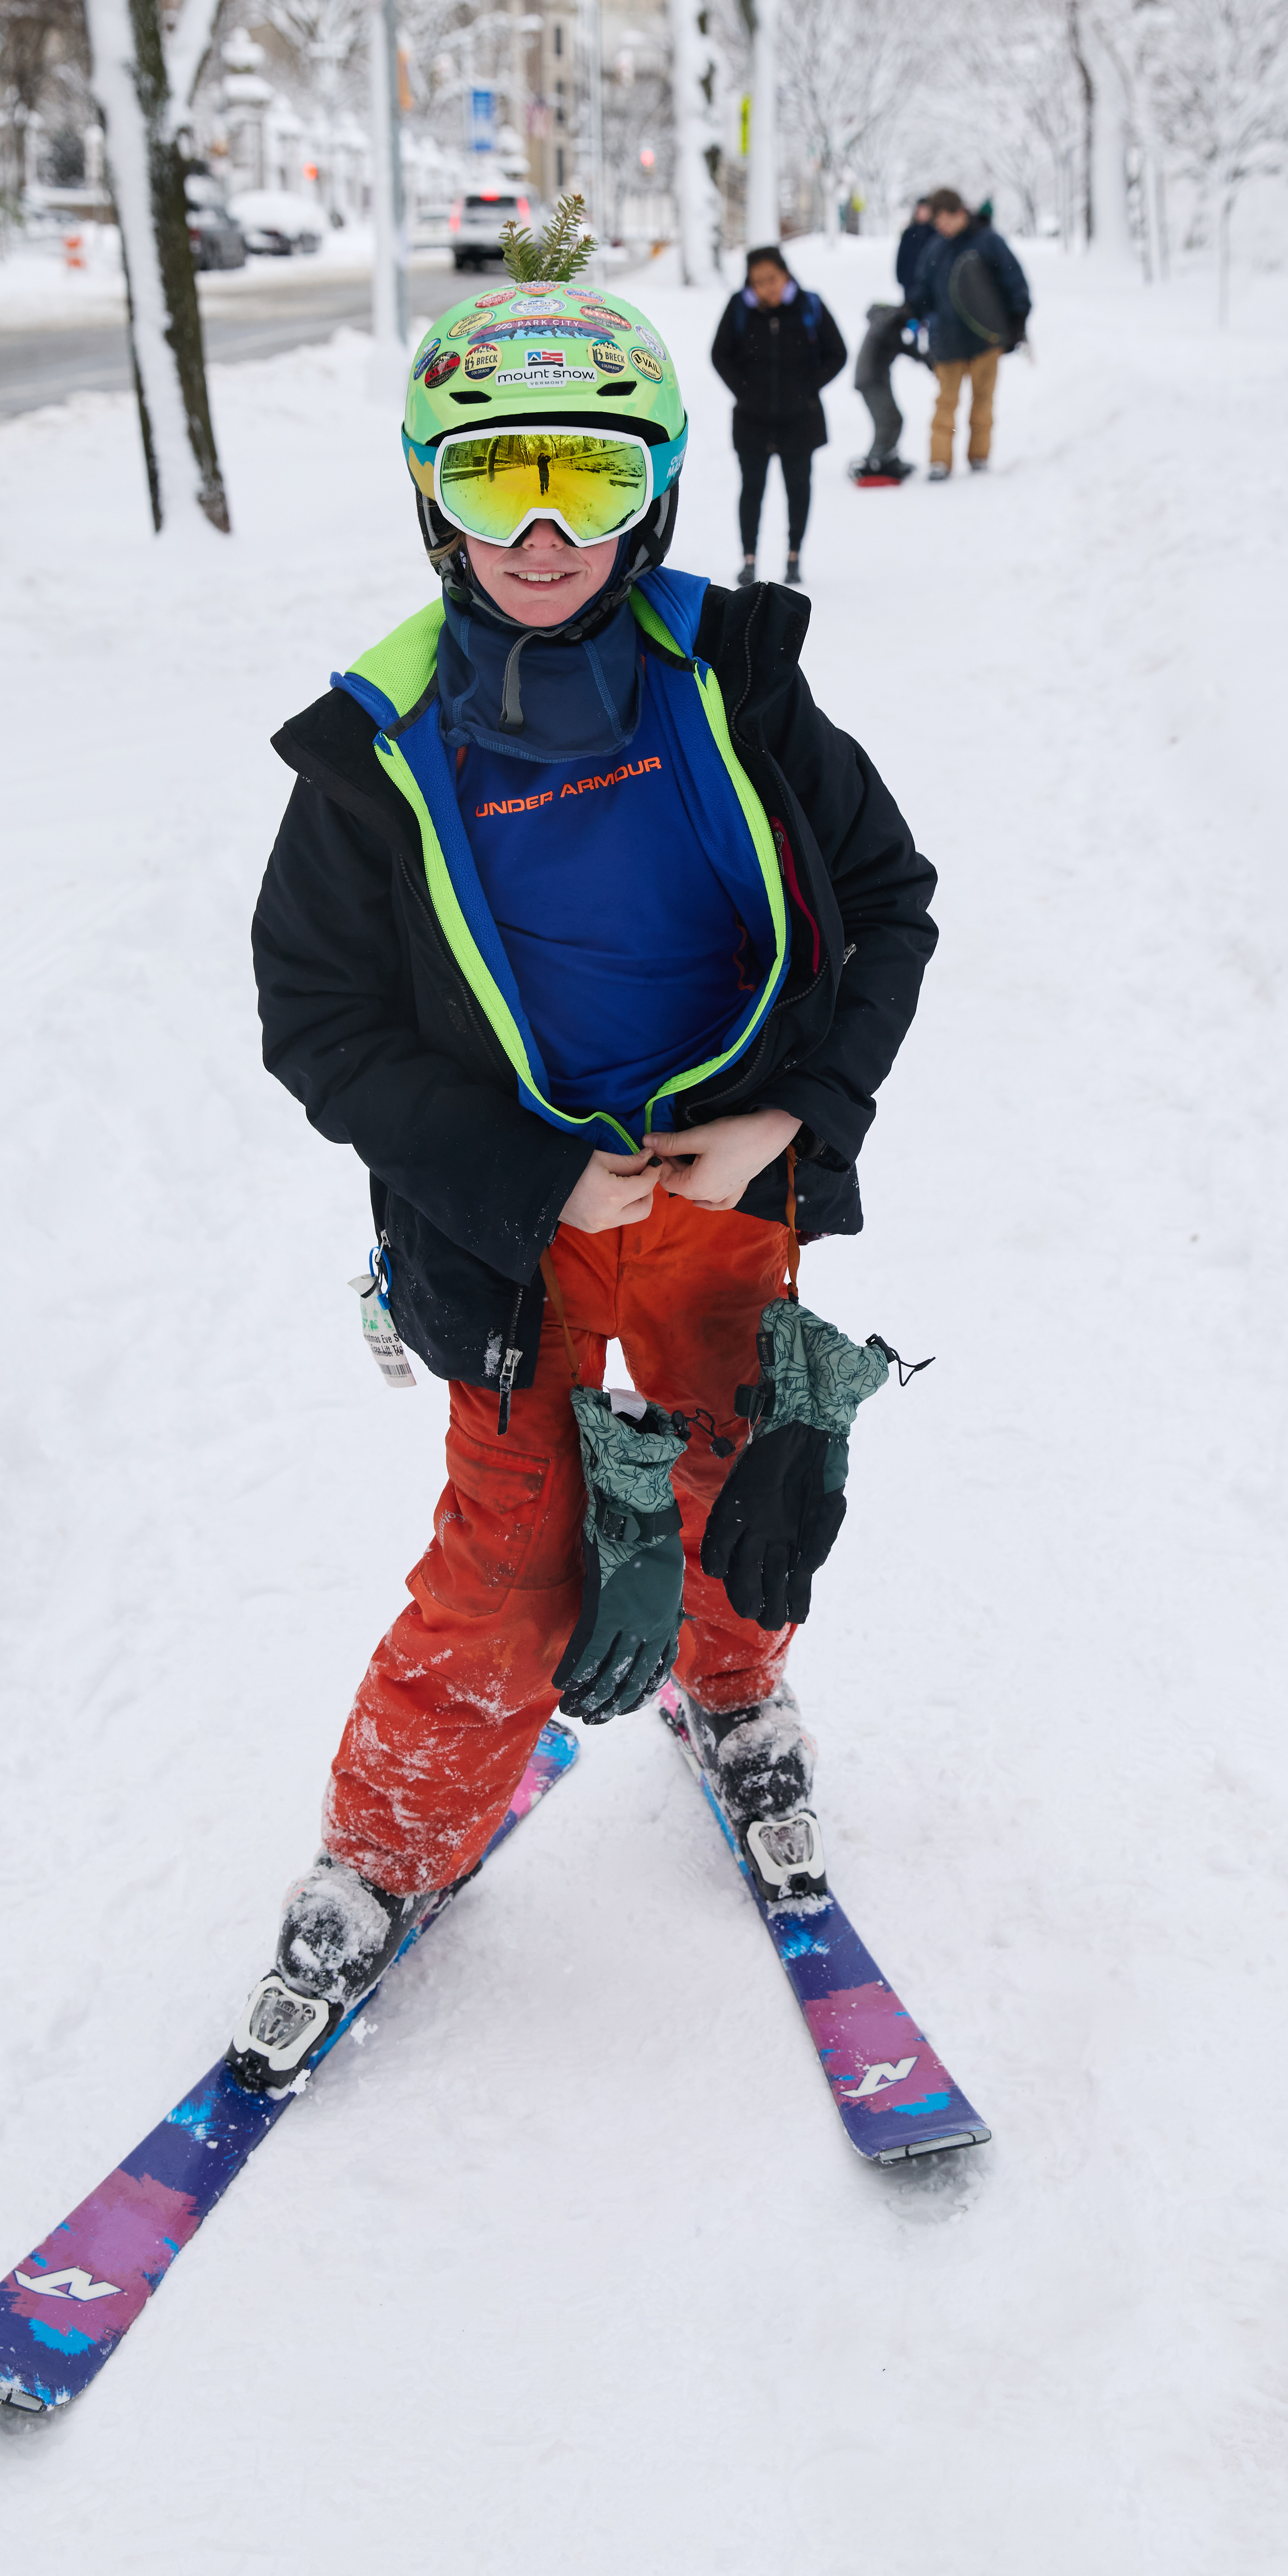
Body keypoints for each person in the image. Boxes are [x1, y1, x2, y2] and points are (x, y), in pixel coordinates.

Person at [236, 248, 936, 2091]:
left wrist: (799, 1114)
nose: (541, 532)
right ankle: (382, 1852)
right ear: (430, 502)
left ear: (653, 499)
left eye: (590, 479)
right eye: (494, 480)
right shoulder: (373, 759)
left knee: (742, 1480)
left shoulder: (743, 690)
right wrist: (533, 1176)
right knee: (511, 1557)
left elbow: (889, 902)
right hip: (511, 1241)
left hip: (724, 1202)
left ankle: (730, 1691)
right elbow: (315, 1018)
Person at [709, 244, 847, 586]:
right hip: (751, 420)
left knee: (798, 489)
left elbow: (838, 353)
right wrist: (744, 391)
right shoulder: (740, 308)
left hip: (801, 419)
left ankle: (794, 556)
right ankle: (749, 561)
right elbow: (720, 354)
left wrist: (808, 389)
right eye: (758, 282)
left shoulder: (809, 305)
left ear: (785, 274)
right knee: (752, 489)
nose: (766, 287)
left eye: (771, 278)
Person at [914, 186, 1031, 479]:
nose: (942, 228)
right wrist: (915, 315)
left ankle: (979, 457)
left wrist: (1017, 323)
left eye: (945, 220)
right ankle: (940, 461)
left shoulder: (989, 242)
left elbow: (1014, 282)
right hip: (948, 340)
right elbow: (922, 292)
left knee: (983, 403)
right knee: (946, 405)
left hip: (985, 340)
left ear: (960, 213)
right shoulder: (936, 249)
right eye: (937, 224)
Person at [852, 203, 939, 483]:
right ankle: (876, 460)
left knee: (894, 418)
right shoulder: (891, 322)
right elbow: (896, 338)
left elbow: (908, 349)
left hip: (876, 377)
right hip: (870, 379)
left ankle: (887, 457)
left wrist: (929, 362)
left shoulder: (895, 324)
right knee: (889, 418)